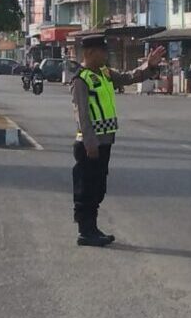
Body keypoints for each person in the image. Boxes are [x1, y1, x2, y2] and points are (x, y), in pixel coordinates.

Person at [70, 35, 166, 247]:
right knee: (86, 189)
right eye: (102, 52)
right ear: (90, 53)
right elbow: (82, 115)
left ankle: (93, 228)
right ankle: (85, 232)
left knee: (98, 188)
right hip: (90, 146)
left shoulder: (104, 73)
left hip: (105, 142)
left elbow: (128, 77)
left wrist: (148, 65)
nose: (106, 55)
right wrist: (90, 143)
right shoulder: (81, 79)